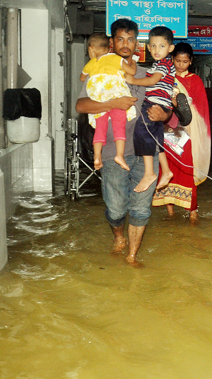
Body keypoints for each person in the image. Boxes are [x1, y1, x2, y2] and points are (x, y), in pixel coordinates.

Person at [76, 18, 171, 265]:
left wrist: (165, 114)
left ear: (137, 43)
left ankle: (132, 255)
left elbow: (169, 107)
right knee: (116, 209)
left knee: (140, 209)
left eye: (130, 39)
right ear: (111, 42)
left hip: (146, 154)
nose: (125, 44)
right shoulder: (99, 69)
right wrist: (112, 104)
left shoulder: (148, 74)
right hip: (111, 151)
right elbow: (81, 105)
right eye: (120, 38)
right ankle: (119, 236)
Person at [152, 42, 211, 223]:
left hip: (188, 134)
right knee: (166, 169)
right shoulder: (165, 78)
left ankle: (193, 211)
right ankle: (170, 211)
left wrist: (184, 105)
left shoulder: (196, 81)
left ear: (190, 61)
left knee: (187, 171)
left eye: (185, 62)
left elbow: (201, 110)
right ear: (172, 59)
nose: (180, 65)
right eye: (177, 61)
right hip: (168, 132)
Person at [125, 26, 176, 193]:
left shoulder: (163, 64)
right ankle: (166, 171)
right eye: (153, 46)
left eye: (161, 46)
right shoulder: (160, 64)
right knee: (155, 139)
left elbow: (152, 81)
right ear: (147, 47)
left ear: (170, 48)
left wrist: (132, 80)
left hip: (155, 103)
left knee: (142, 131)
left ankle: (149, 173)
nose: (156, 50)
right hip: (161, 104)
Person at [80, 32, 137, 171]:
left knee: (100, 128)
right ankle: (119, 155)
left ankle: (97, 156)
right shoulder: (115, 58)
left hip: (99, 100)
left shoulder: (91, 63)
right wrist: (133, 64)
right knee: (119, 126)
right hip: (116, 96)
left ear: (91, 48)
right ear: (109, 47)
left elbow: (82, 78)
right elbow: (131, 72)